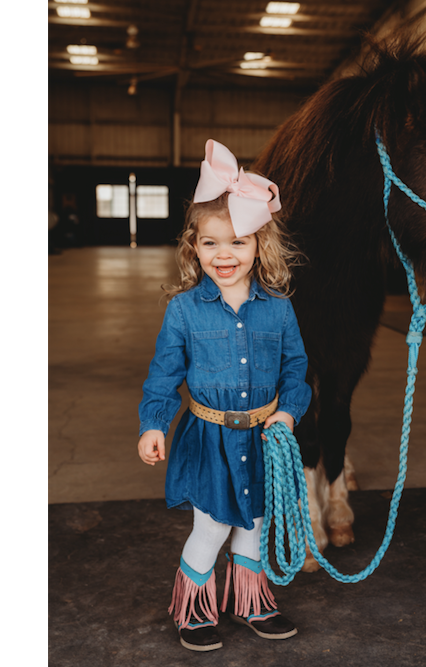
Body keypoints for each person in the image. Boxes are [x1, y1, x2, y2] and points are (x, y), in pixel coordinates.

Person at [137, 139, 312, 652]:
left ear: (260, 244)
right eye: (211, 244)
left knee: (254, 522)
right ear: (194, 248)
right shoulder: (184, 311)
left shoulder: (279, 310)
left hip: (262, 435)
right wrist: (153, 422)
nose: (224, 255)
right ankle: (193, 609)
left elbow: (297, 369)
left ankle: (252, 601)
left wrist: (287, 412)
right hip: (208, 435)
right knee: (212, 525)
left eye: (237, 243)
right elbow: (164, 374)